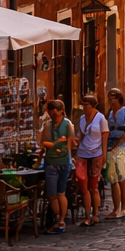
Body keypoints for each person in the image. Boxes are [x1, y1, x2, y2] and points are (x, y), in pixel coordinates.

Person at [72, 95, 108, 227]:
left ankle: (95, 214)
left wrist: (104, 155)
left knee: (93, 187)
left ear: (92, 105)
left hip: (96, 154)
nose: (84, 108)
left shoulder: (100, 119)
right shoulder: (82, 118)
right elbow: (80, 135)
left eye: (86, 105)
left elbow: (105, 138)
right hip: (82, 153)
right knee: (83, 186)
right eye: (83, 105)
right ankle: (87, 215)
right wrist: (75, 143)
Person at [39, 100, 73, 233]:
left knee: (52, 195)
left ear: (55, 111)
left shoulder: (48, 126)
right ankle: (62, 220)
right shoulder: (69, 124)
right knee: (61, 193)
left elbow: (43, 143)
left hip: (53, 162)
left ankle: (59, 219)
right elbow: (70, 145)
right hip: (65, 161)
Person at [104, 89, 125, 218]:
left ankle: (123, 208)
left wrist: (119, 143)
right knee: (113, 178)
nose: (111, 100)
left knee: (121, 177)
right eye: (110, 97)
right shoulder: (109, 113)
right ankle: (115, 208)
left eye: (114, 97)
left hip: (123, 147)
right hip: (110, 147)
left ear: (119, 98)